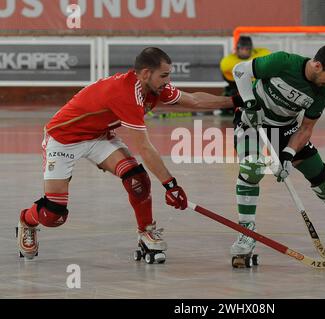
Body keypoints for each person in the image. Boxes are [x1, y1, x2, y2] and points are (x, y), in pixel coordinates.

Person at [16, 47, 234, 261]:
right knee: (54, 214)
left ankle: (146, 231)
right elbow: (145, 148)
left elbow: (194, 100)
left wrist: (235, 102)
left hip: (98, 136)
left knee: (136, 179)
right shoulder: (126, 94)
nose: (168, 81)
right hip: (63, 139)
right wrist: (171, 185)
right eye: (164, 75)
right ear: (147, 73)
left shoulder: (153, 87)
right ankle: (27, 220)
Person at [230, 44, 325, 260]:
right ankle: (246, 232)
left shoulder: (322, 90)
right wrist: (249, 102)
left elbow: (306, 128)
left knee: (321, 176)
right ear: (318, 65)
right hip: (251, 121)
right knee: (252, 168)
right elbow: (240, 70)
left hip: (285, 127)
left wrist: (288, 155)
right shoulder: (283, 62)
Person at [218, 36, 271, 116]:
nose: (244, 52)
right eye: (242, 49)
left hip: (256, 85)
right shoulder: (228, 61)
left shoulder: (262, 53)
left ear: (251, 50)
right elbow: (226, 67)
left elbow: (268, 56)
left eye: (247, 49)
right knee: (233, 96)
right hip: (237, 86)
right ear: (237, 50)